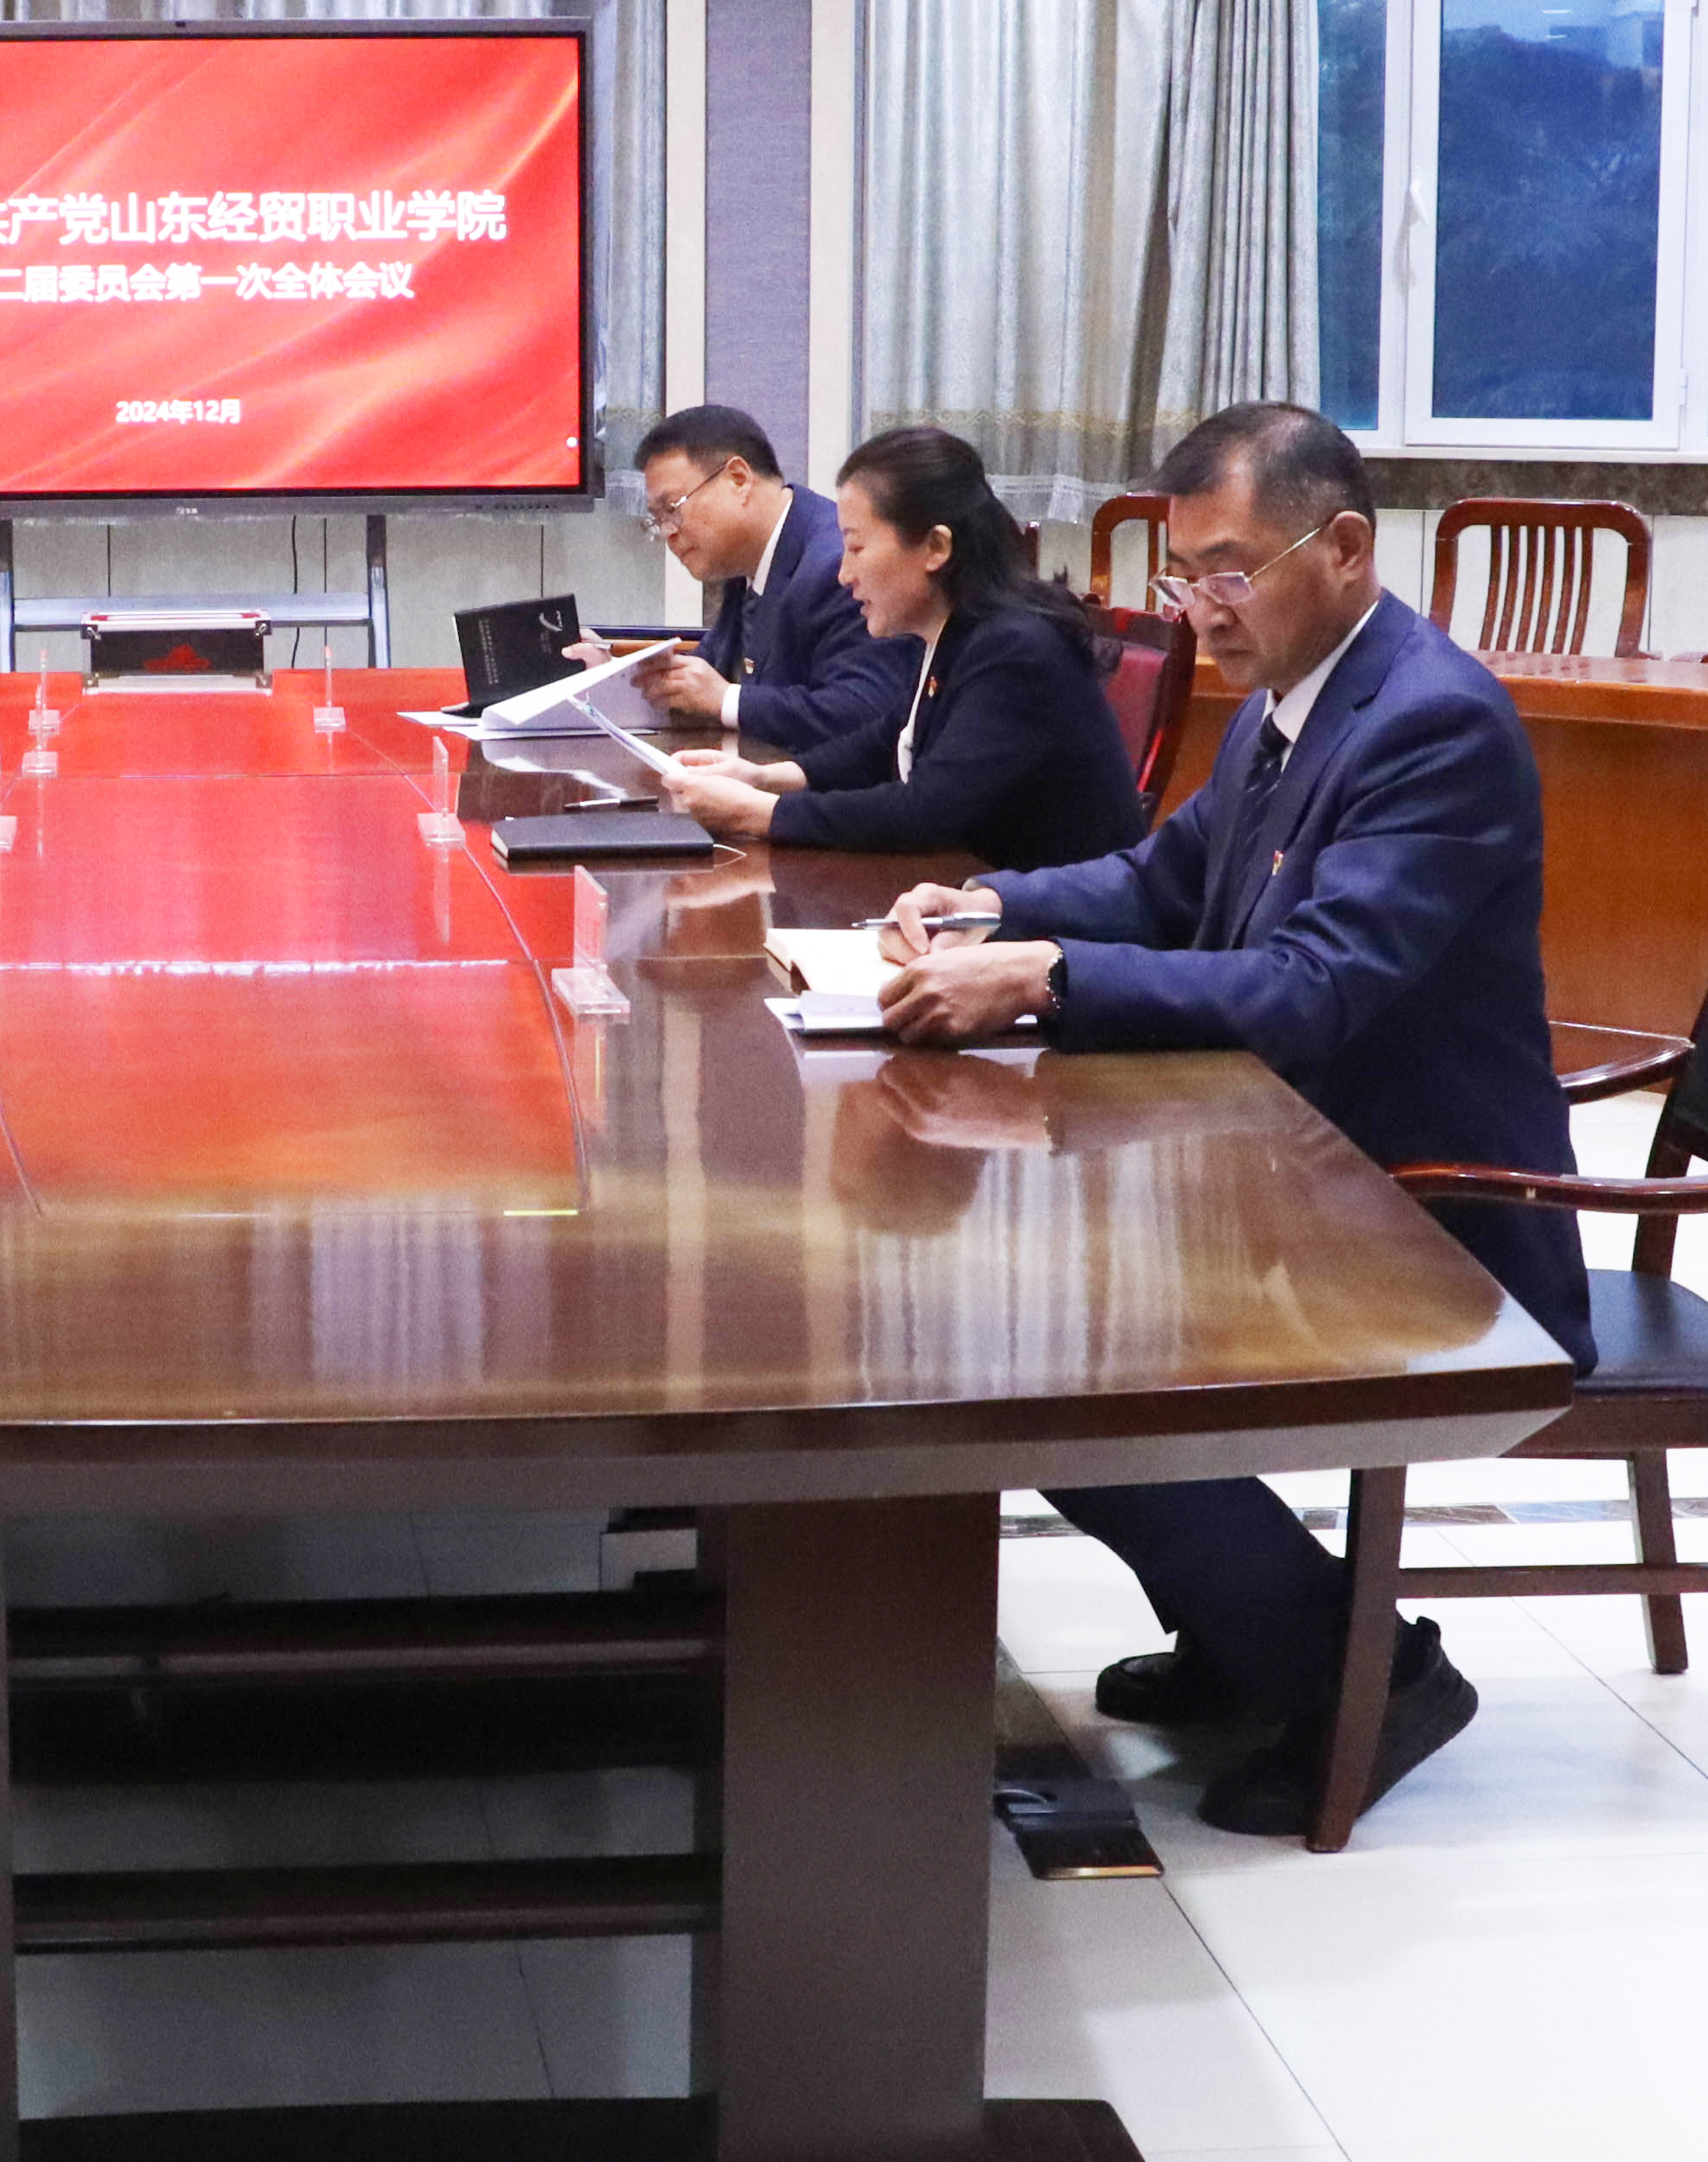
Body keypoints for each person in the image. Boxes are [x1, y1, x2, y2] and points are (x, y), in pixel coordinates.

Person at [871, 401, 1594, 1837]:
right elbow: (1160, 879)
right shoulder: (1290, 698)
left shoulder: (1429, 721)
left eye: (1227, 571)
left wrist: (1048, 978)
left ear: (1342, 549)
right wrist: (988, 906)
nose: (1199, 607)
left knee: (1058, 1364)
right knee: (1032, 1326)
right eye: (1182, 573)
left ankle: (1365, 1678)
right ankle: (1244, 1636)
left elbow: (1316, 987)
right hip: (1292, 1163)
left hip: (1425, 1214)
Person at [652, 425, 1143, 873]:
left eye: (857, 548)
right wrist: (761, 777)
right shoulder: (959, 632)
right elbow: (887, 740)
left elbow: (924, 810)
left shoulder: (1017, 649)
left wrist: (756, 812)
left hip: (1053, 926)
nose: (844, 574)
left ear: (936, 548)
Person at [598, 404, 921, 752]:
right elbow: (705, 672)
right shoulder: (746, 559)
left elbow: (862, 711)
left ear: (739, 479)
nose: (668, 532)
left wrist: (726, 699)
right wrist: (612, 676)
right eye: (657, 518)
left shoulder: (836, 567)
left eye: (672, 509)